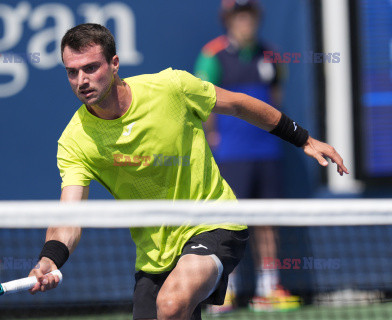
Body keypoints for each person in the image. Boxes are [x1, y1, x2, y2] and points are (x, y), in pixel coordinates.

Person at [27, 23, 348, 320]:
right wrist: (49, 258)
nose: (82, 80)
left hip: (214, 222)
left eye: (91, 68)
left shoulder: (171, 87)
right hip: (155, 253)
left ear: (114, 64)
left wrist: (302, 138)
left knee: (171, 304)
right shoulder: (75, 140)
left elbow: (238, 104)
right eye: (72, 72)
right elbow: (69, 215)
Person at [194, 0, 297, 312]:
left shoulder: (273, 56)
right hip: (232, 154)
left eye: (249, 15)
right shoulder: (212, 55)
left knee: (268, 220)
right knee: (230, 221)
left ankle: (268, 288)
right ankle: (226, 290)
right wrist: (215, 137)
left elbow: (276, 100)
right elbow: (205, 100)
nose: (245, 21)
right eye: (239, 16)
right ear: (228, 20)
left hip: (267, 152)